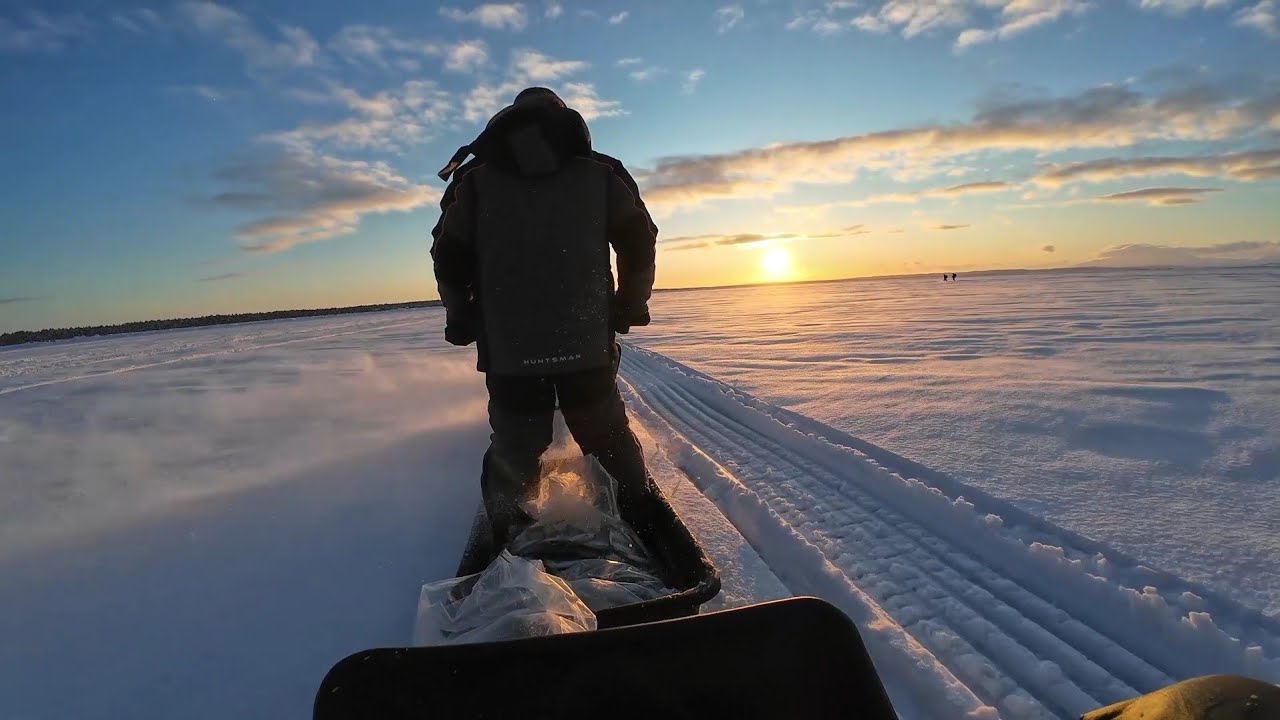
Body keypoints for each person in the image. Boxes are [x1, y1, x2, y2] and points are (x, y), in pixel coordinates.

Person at [430, 87, 659, 547]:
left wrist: (461, 317)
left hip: (509, 345)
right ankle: (647, 522)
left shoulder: (474, 180)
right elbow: (638, 238)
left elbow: (448, 253)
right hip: (586, 335)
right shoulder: (600, 173)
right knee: (608, 434)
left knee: (516, 443)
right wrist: (629, 303)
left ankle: (504, 536)